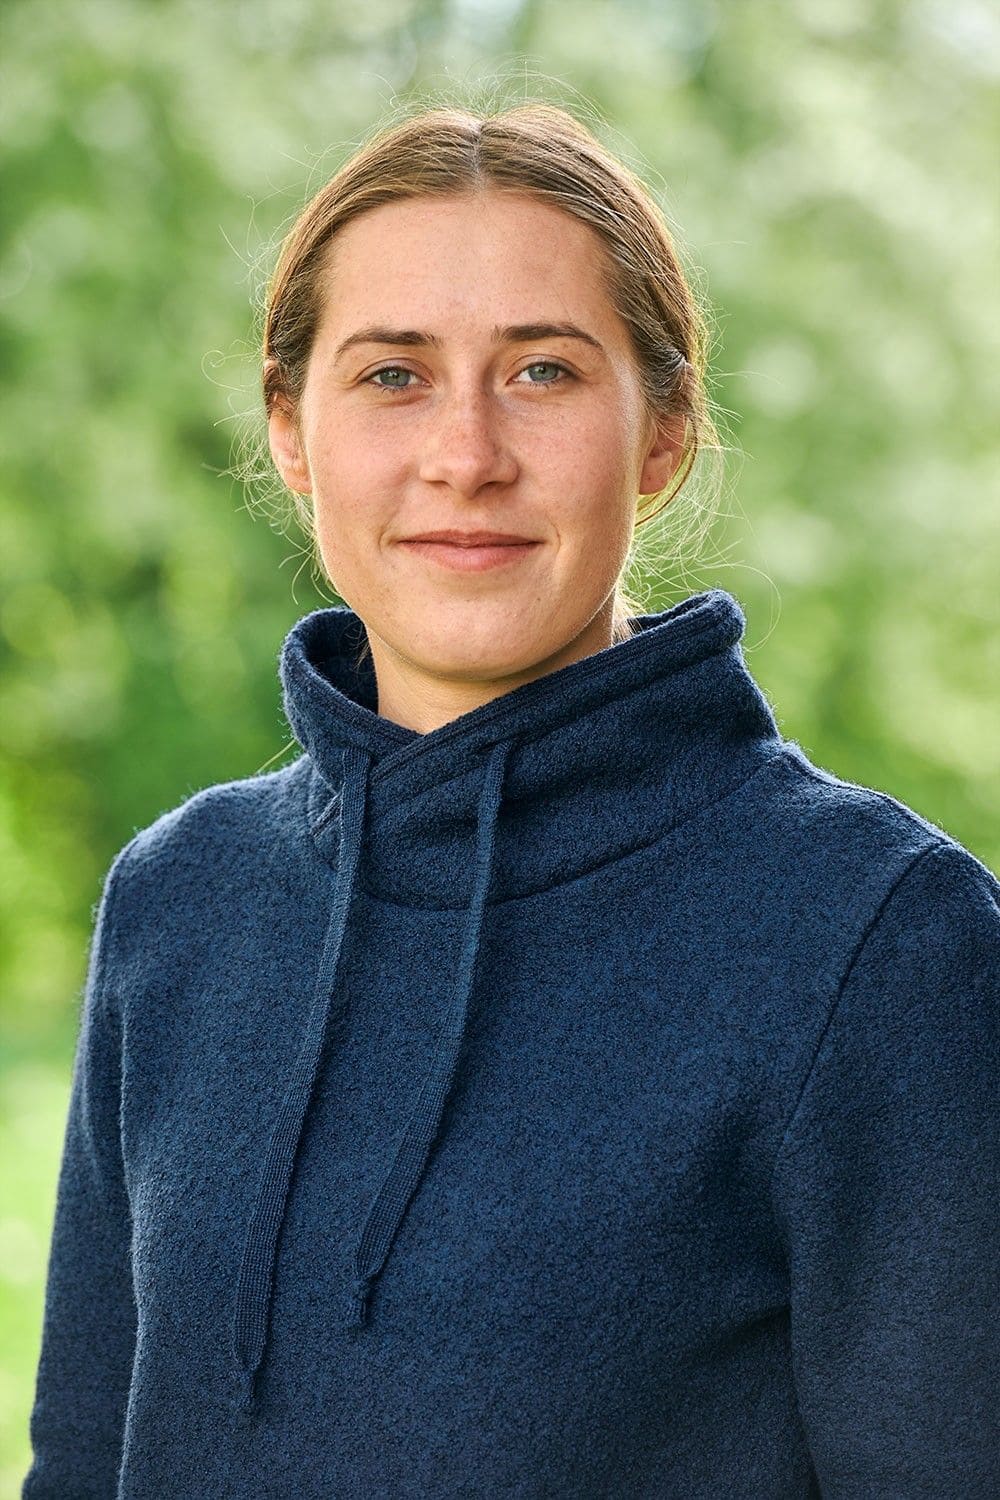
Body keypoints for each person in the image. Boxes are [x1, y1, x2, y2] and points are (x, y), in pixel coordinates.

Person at [22, 100, 999, 1499]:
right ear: (292, 433)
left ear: (662, 433)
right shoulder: (183, 898)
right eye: (392, 376)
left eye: (542, 372)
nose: (465, 455)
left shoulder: (881, 940)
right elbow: (83, 1466)